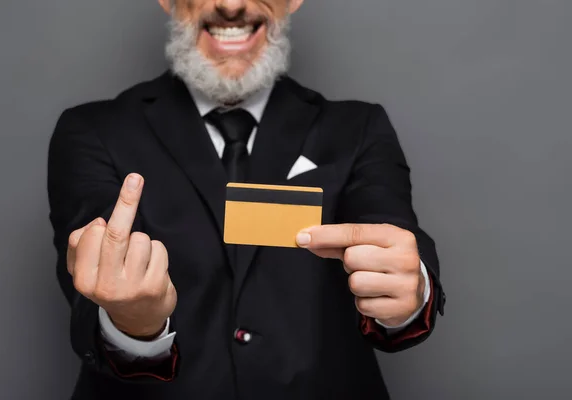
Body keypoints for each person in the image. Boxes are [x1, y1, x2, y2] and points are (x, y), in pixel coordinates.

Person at [47, 0, 446, 399]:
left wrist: (412, 291)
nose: (231, 5)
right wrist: (133, 322)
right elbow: (89, 289)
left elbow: (393, 232)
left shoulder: (358, 128)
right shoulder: (93, 130)